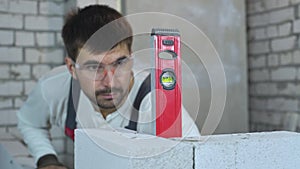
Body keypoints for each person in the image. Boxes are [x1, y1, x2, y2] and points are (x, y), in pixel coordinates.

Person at [17, 4, 200, 169]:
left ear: (131, 58)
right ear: (72, 68)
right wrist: (47, 159)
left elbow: (194, 159)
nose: (110, 82)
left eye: (119, 63)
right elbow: (29, 123)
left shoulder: (158, 105)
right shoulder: (54, 88)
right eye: (93, 67)